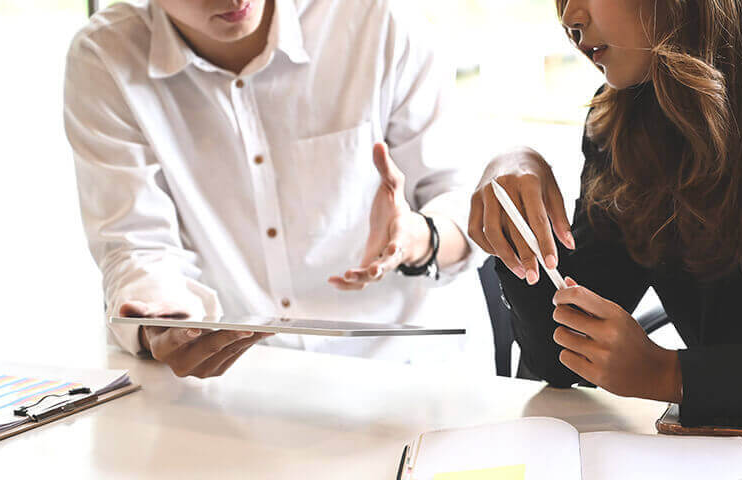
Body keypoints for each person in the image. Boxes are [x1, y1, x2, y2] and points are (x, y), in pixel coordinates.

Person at [64, 0, 494, 378]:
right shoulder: (106, 58)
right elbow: (136, 246)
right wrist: (162, 319)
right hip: (246, 389)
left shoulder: (377, 21)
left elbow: (465, 210)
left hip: (415, 377)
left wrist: (413, 236)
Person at [469, 0, 742, 431]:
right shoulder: (629, 116)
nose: (569, 16)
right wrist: (515, 178)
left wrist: (668, 374)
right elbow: (563, 358)